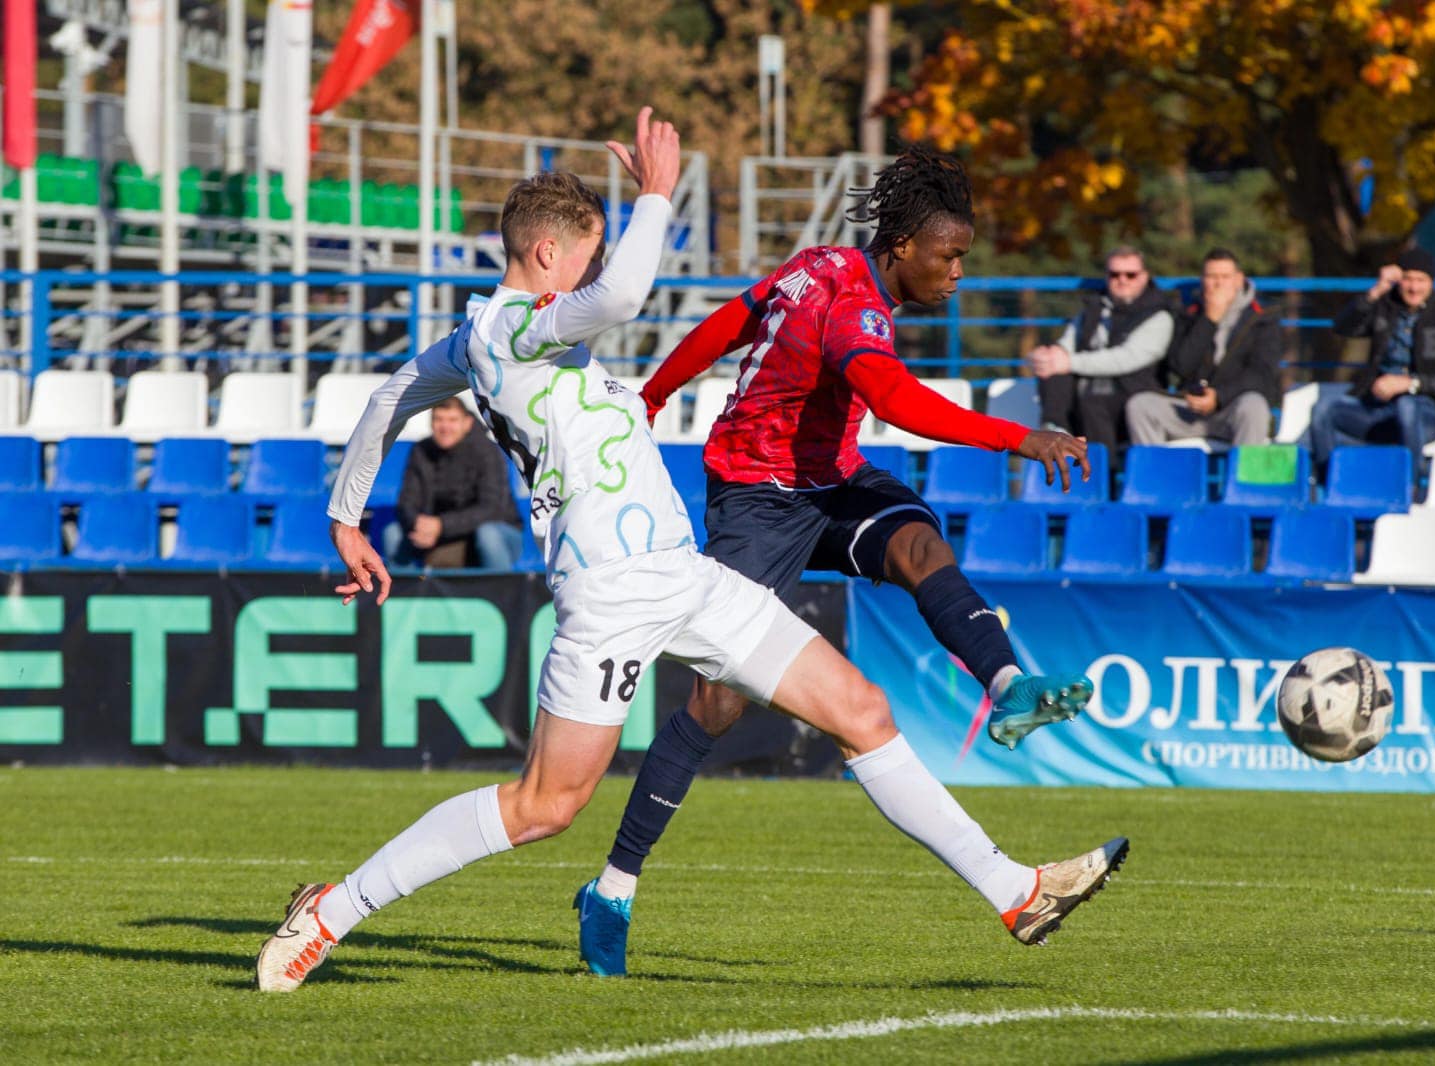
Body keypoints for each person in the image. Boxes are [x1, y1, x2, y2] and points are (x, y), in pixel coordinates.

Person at [255, 112, 1129, 993]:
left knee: (863, 713)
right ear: (549, 257)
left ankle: (1015, 892)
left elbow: (391, 396)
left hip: (686, 576)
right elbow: (625, 299)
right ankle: (333, 910)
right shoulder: (508, 330)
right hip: (610, 593)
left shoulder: (486, 343)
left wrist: (345, 515)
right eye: (587, 260)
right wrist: (658, 197)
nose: (592, 280)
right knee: (544, 807)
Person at [572, 146, 1103, 979]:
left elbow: (731, 320)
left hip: (830, 479)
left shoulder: (820, 264)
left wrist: (655, 392)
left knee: (919, 543)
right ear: (901, 248)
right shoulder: (856, 306)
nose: (959, 272)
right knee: (717, 702)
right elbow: (894, 401)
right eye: (950, 255)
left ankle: (1007, 688)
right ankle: (611, 887)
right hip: (756, 498)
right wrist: (1018, 436)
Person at [1308, 248, 1435, 479]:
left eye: (1420, 280)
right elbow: (1342, 327)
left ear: (1431, 283)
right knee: (1323, 410)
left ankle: (1409, 486)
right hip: (1376, 410)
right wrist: (1376, 290)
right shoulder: (1384, 309)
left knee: (1406, 406)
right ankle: (1332, 482)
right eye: (1408, 279)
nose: (1413, 288)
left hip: (1424, 413)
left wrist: (1408, 384)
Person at [1125, 248, 1281, 446]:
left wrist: (1219, 396)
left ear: (1239, 279)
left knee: (1254, 406)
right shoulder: (1188, 314)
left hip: (1233, 408)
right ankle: (1157, 475)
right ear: (1202, 280)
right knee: (1140, 406)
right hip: (1189, 409)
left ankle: (1244, 477)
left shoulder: (1262, 317)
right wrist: (1208, 321)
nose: (1218, 283)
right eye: (1211, 276)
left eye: (1225, 277)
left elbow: (1262, 374)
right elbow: (1181, 366)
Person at [1028, 246, 1174, 454]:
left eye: (1130, 275)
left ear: (1144, 277)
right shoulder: (1093, 309)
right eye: (1114, 274)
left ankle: (1104, 473)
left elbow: (1126, 359)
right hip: (1087, 394)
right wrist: (1047, 356)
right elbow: (1067, 342)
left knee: (1093, 398)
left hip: (1130, 396)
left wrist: (1069, 362)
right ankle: (1054, 430)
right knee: (1053, 371)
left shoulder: (1159, 316)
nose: (1121, 280)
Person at [382, 396, 522, 569]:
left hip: (494, 533)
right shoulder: (421, 451)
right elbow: (406, 502)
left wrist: (442, 525)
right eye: (438, 419)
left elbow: (492, 509)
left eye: (452, 420)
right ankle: (408, 593)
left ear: (467, 423)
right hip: (437, 533)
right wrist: (417, 523)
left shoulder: (488, 452)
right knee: (392, 533)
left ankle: (500, 594)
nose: (445, 427)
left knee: (488, 535)